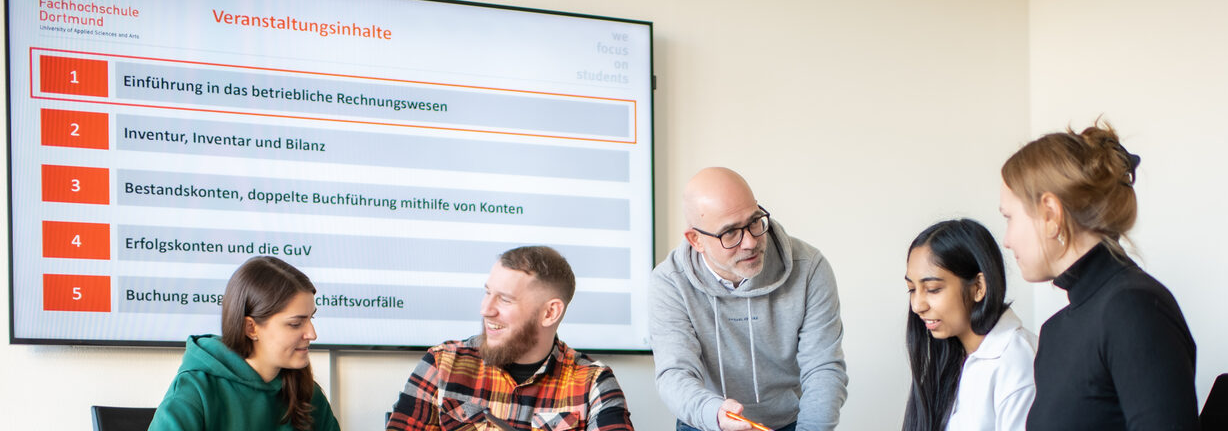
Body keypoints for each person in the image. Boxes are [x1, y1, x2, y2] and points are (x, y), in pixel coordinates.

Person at [998, 123, 1200, 430]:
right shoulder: (1054, 332)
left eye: (1009, 217)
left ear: (1051, 213)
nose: (1007, 240)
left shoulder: (1132, 308)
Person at [651, 167, 847, 431]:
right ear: (696, 239)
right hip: (707, 419)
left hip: (790, 422)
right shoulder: (670, 282)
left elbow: (823, 369)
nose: (751, 242)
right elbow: (675, 374)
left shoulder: (810, 267)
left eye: (754, 221)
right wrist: (715, 415)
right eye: (730, 232)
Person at [386, 246, 633, 430]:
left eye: (504, 299)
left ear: (550, 312)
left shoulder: (593, 383)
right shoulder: (441, 365)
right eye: (488, 292)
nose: (485, 309)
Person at [150, 256, 340, 431]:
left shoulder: (308, 393)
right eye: (295, 324)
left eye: (311, 318)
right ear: (251, 328)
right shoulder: (195, 391)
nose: (312, 334)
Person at [902, 219, 1037, 431]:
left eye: (933, 289)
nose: (917, 305)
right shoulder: (950, 356)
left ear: (979, 287)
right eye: (911, 289)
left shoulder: (1017, 360)